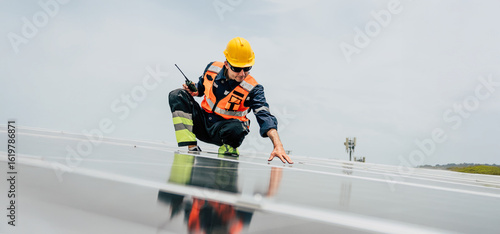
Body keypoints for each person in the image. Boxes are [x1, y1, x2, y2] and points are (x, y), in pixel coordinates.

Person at [168, 37, 293, 164]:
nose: (242, 74)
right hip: (202, 125)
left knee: (238, 127)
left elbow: (265, 117)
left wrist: (278, 145)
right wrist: (194, 90)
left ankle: (228, 150)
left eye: (247, 68)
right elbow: (201, 87)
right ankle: (191, 145)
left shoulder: (254, 89)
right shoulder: (212, 68)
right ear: (226, 64)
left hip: (226, 134)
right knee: (177, 94)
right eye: (237, 69)